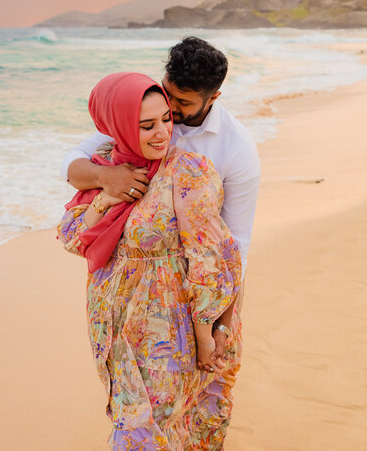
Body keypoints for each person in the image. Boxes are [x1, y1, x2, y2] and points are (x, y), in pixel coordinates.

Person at [61, 37, 260, 447]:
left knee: (178, 422)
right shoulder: (118, 144)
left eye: (177, 109)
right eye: (158, 110)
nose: (167, 119)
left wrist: (218, 324)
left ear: (212, 97)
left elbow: (230, 246)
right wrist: (106, 182)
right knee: (139, 421)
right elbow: (73, 184)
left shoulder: (230, 152)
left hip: (178, 312)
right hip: (116, 321)